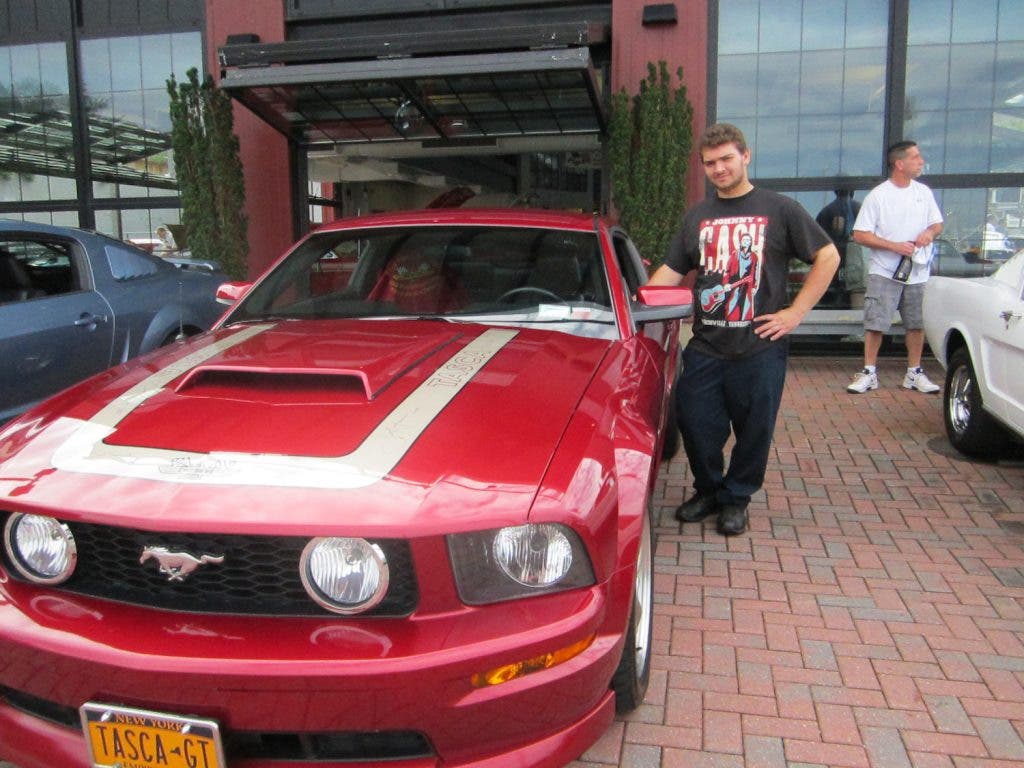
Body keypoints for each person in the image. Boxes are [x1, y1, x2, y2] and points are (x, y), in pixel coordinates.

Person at [648, 123, 839, 536]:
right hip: (706, 345)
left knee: (755, 431)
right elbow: (671, 270)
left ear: (745, 156)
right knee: (695, 424)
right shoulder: (697, 216)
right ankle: (709, 490)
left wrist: (796, 312)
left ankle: (736, 499)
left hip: (760, 346)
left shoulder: (781, 209)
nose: (719, 169)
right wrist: (634, 303)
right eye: (710, 163)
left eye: (726, 159)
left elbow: (827, 256)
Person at [846, 140, 944, 395]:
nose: (921, 161)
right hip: (884, 271)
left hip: (918, 271)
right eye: (915, 157)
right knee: (876, 322)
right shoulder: (879, 195)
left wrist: (929, 234)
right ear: (899, 164)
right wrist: (893, 246)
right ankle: (869, 372)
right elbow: (860, 234)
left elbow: (937, 224)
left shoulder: (923, 192)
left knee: (916, 323)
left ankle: (914, 372)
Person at [816, 188, 861, 302]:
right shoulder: (859, 208)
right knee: (854, 284)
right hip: (852, 254)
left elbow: (817, 234)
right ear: (852, 191)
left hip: (830, 253)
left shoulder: (826, 210)